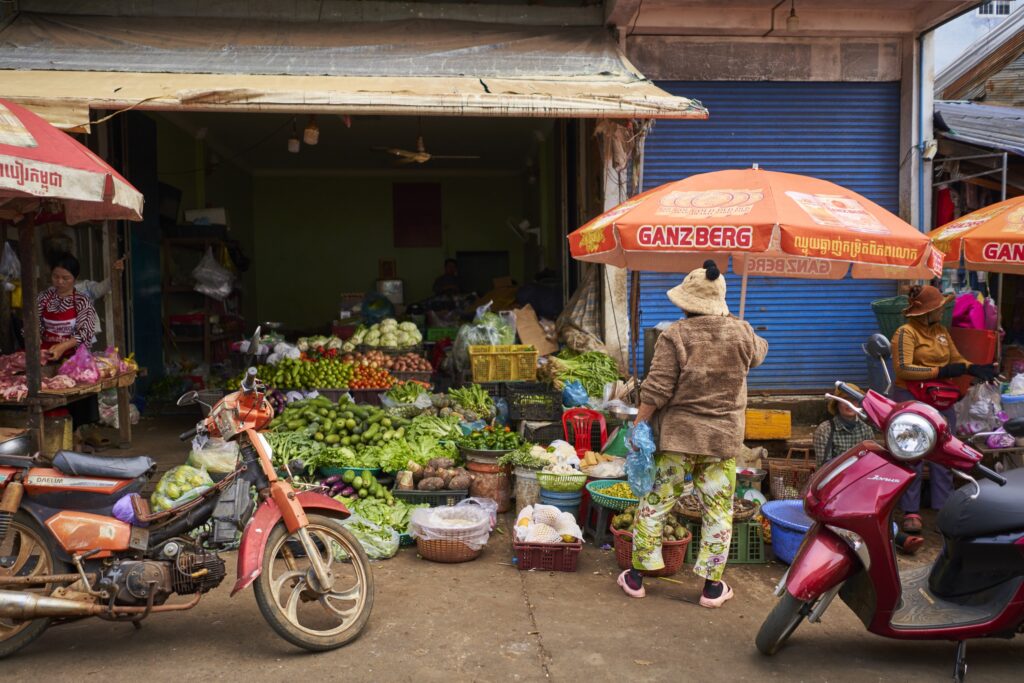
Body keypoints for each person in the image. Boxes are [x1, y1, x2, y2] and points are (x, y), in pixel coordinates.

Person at [617, 260, 768, 608]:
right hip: (721, 442)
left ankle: (638, 577)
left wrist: (639, 424)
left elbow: (656, 390)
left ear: (685, 303)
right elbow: (760, 351)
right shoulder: (742, 333)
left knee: (656, 502)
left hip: (678, 441)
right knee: (718, 511)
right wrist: (738, 326)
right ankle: (712, 588)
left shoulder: (675, 336)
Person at [891, 284, 999, 534]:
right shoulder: (905, 334)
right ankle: (910, 511)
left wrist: (973, 368)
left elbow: (955, 358)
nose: (943, 310)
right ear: (926, 312)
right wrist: (941, 371)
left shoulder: (941, 331)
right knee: (913, 451)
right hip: (911, 396)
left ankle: (944, 508)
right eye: (939, 308)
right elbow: (903, 369)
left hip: (939, 397)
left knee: (945, 451)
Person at [813, 387, 922, 554]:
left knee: (875, 509)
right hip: (834, 485)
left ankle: (893, 538)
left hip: (861, 483)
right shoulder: (825, 429)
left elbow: (871, 462)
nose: (850, 404)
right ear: (837, 404)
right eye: (845, 401)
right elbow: (824, 467)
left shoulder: (865, 429)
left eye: (855, 400)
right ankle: (899, 539)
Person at [38, 253, 96, 364]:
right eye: (55, 276)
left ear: (75, 278)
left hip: (73, 356)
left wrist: (63, 346)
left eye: (66, 278)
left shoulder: (82, 301)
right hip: (45, 352)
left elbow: (85, 333)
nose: (59, 281)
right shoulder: (43, 297)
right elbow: (33, 324)